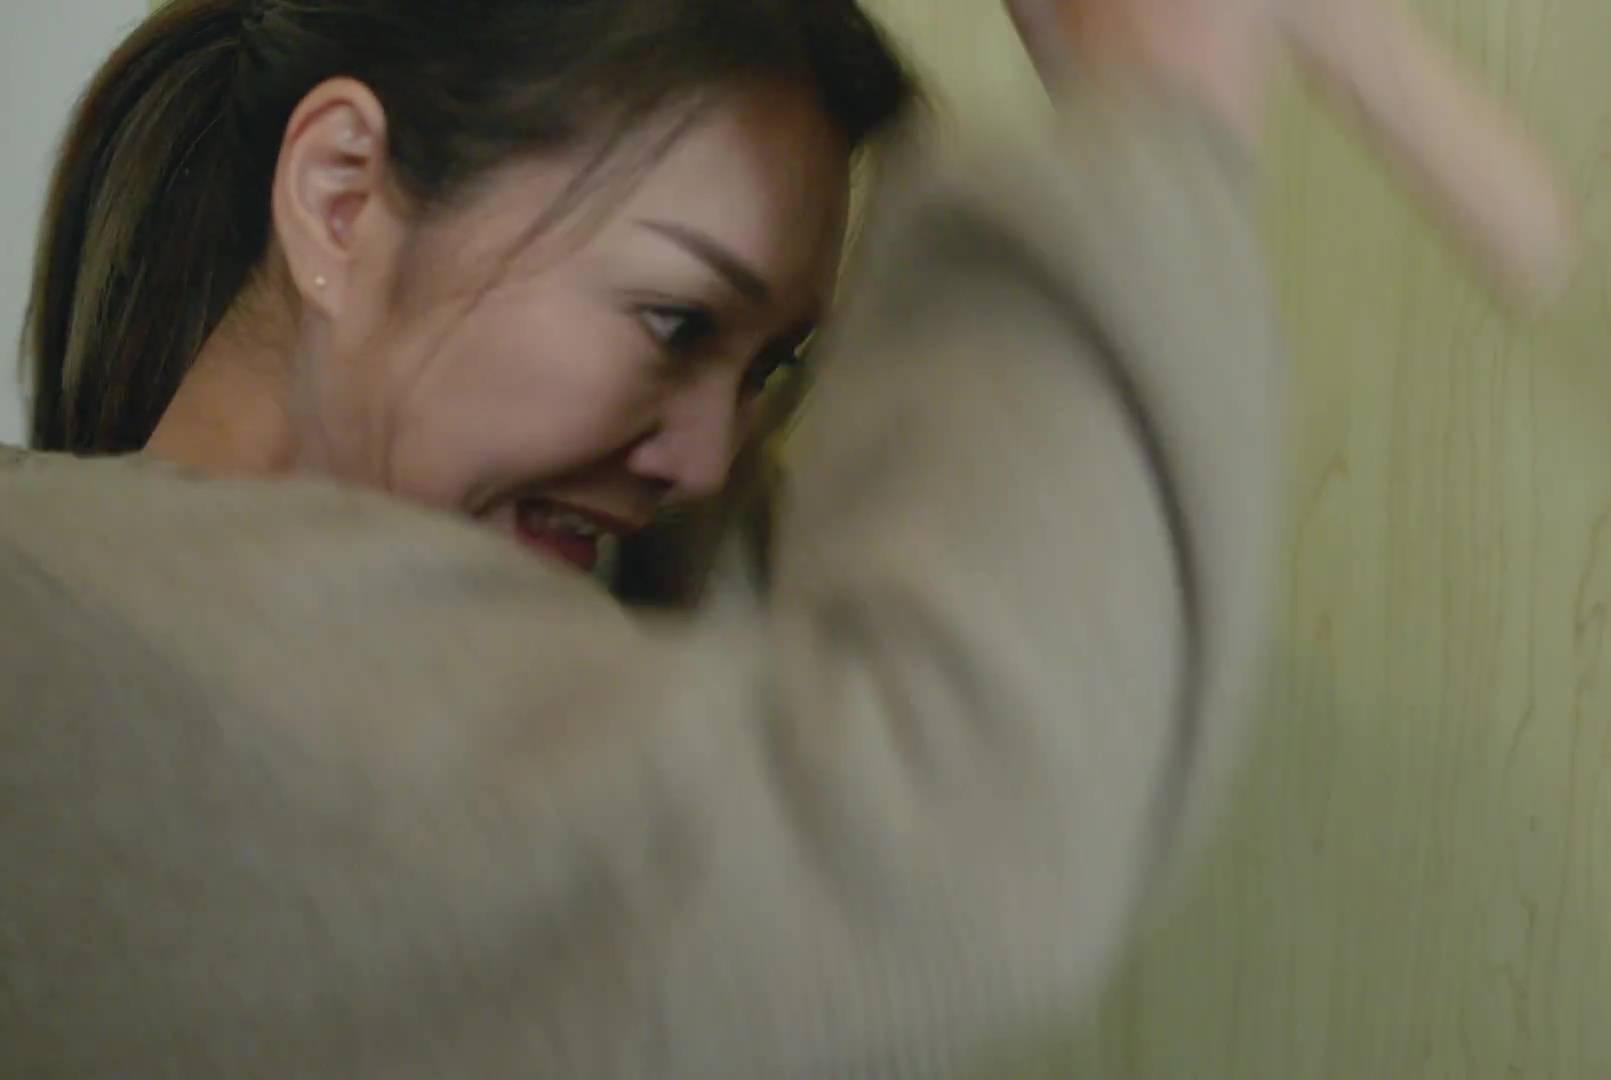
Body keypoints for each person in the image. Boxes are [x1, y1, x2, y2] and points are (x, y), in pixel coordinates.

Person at [0, 0, 1281, 1074]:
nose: (706, 459)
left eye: (767, 367)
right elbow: (956, 835)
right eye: (674, 323)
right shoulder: (56, 636)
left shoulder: (563, 646)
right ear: (341, 198)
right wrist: (1158, 114)